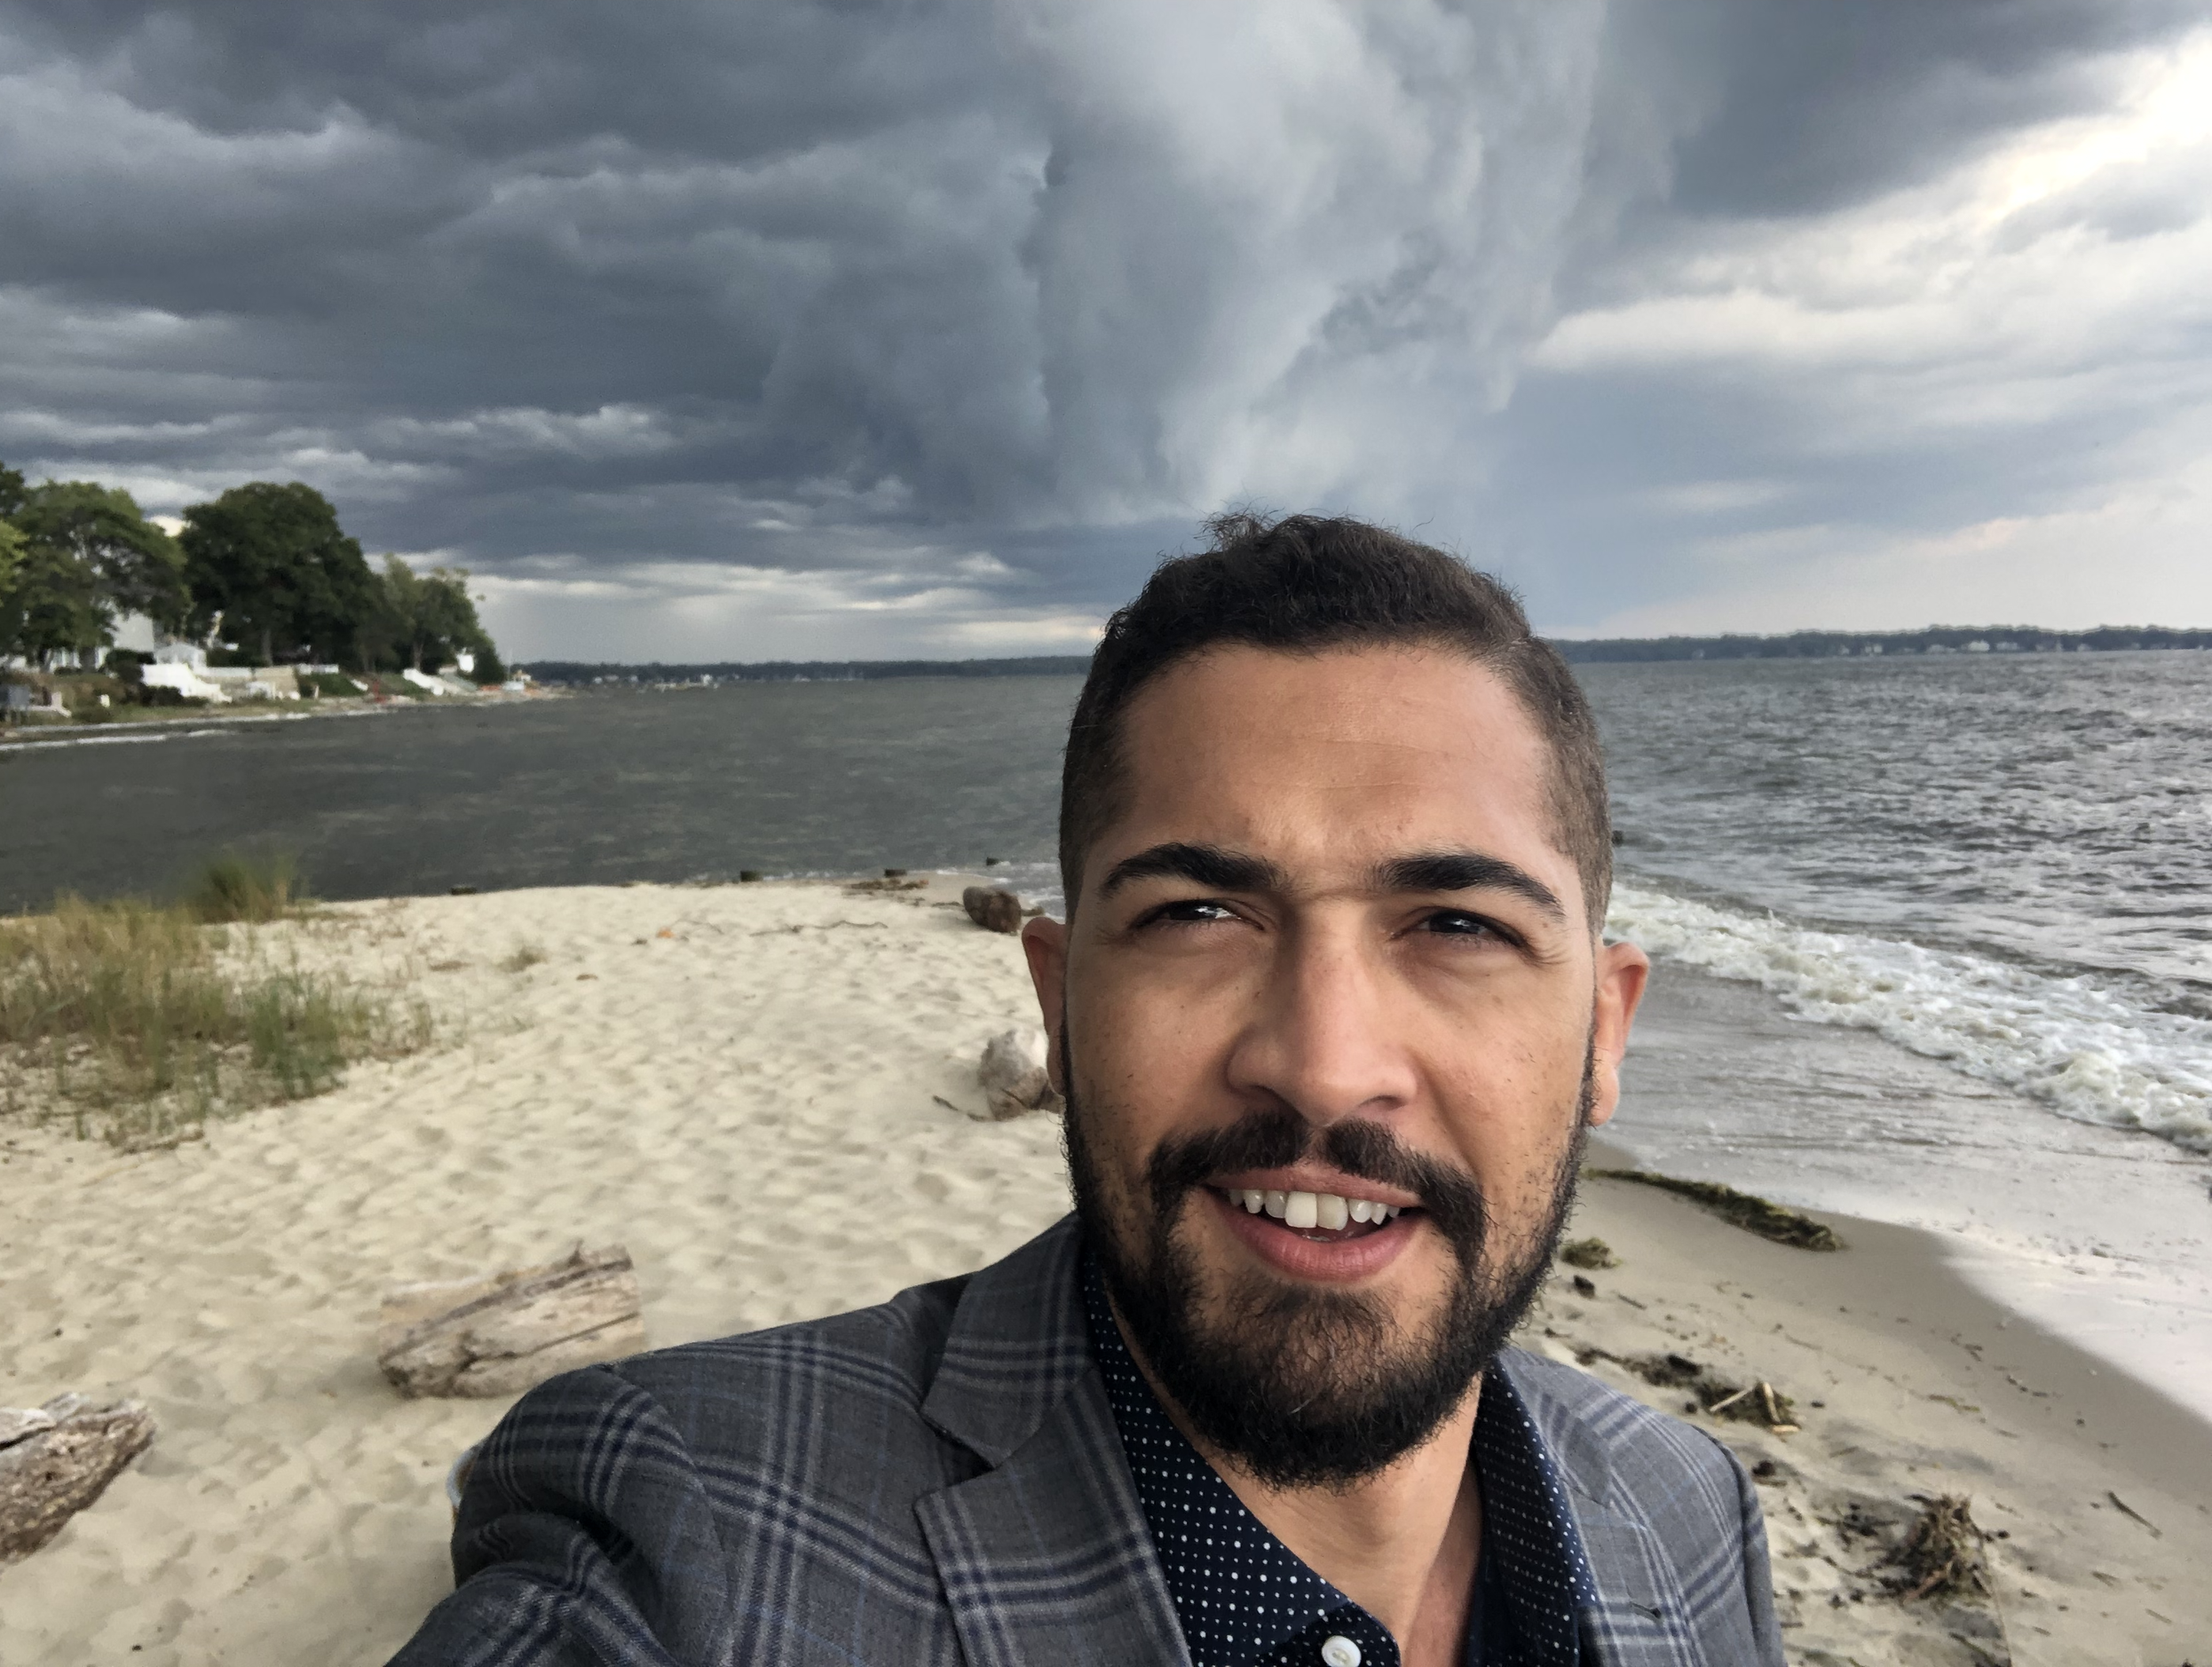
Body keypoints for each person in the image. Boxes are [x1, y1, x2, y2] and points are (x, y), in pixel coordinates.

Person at [391, 513, 1782, 1667]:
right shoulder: (686, 1536)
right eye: (1197, 914)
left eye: (1459, 926)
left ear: (1604, 1029)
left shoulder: (1690, 1512)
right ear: (1058, 1006)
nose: (1322, 1061)